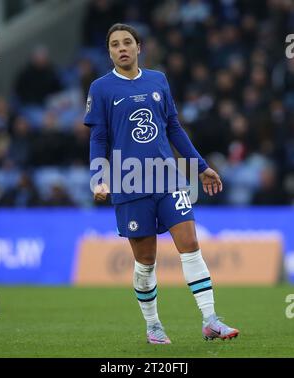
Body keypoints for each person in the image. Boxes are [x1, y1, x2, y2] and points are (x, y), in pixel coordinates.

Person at [84, 23, 239, 344]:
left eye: (128, 42)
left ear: (139, 47)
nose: (122, 48)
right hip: (129, 183)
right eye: (115, 44)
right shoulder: (101, 88)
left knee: (191, 245)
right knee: (145, 263)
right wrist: (98, 177)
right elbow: (98, 137)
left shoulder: (158, 80)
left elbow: (173, 127)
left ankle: (211, 320)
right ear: (110, 51)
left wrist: (201, 167)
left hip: (168, 178)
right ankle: (153, 325)